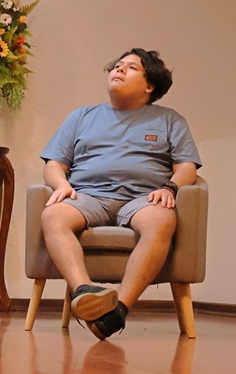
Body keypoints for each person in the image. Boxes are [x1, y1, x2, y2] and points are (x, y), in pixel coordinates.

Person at [40, 48, 201, 339]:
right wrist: (62, 184)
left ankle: (117, 311)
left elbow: (187, 167)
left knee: (162, 220)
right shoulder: (81, 116)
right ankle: (84, 293)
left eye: (131, 67)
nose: (119, 70)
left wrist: (170, 187)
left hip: (143, 199)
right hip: (88, 196)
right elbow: (54, 164)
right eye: (117, 65)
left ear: (149, 85)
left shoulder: (170, 120)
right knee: (53, 215)